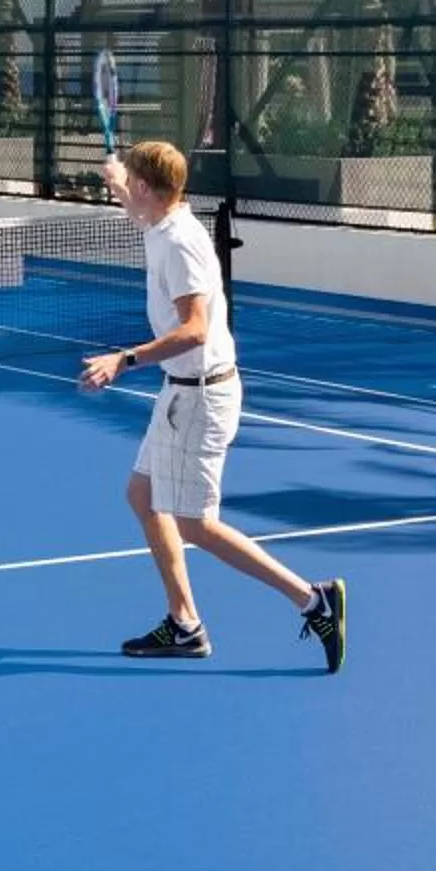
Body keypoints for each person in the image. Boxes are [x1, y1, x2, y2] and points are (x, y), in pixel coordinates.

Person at [78, 141, 347, 672]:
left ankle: (313, 601)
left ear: (146, 189)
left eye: (129, 180)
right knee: (142, 494)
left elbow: (195, 329)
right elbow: (137, 206)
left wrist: (123, 360)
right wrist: (116, 178)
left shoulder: (178, 243)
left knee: (196, 523)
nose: (123, 188)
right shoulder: (159, 217)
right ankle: (184, 624)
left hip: (201, 395)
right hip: (180, 391)